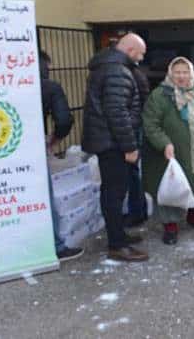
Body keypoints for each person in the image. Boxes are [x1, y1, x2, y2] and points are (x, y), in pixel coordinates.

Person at [82, 33, 149, 262]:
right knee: (114, 193)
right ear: (130, 50)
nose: (141, 58)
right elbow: (117, 112)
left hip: (107, 140)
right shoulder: (117, 71)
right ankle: (117, 245)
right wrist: (130, 146)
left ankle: (117, 234)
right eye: (140, 53)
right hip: (113, 143)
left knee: (113, 191)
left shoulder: (108, 66)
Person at [143, 57, 194, 245]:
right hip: (173, 150)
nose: (181, 76)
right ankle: (170, 226)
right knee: (173, 186)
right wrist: (164, 143)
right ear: (170, 73)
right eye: (177, 72)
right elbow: (151, 125)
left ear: (191, 74)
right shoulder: (160, 95)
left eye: (185, 72)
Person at [39, 51, 83, 261]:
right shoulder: (49, 87)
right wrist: (55, 139)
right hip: (33, 147)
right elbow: (64, 120)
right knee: (43, 195)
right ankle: (56, 246)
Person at [124, 44, 151, 228]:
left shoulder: (132, 75)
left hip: (133, 129)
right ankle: (139, 210)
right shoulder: (136, 74)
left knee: (132, 173)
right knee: (133, 172)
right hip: (134, 127)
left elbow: (142, 103)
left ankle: (137, 212)